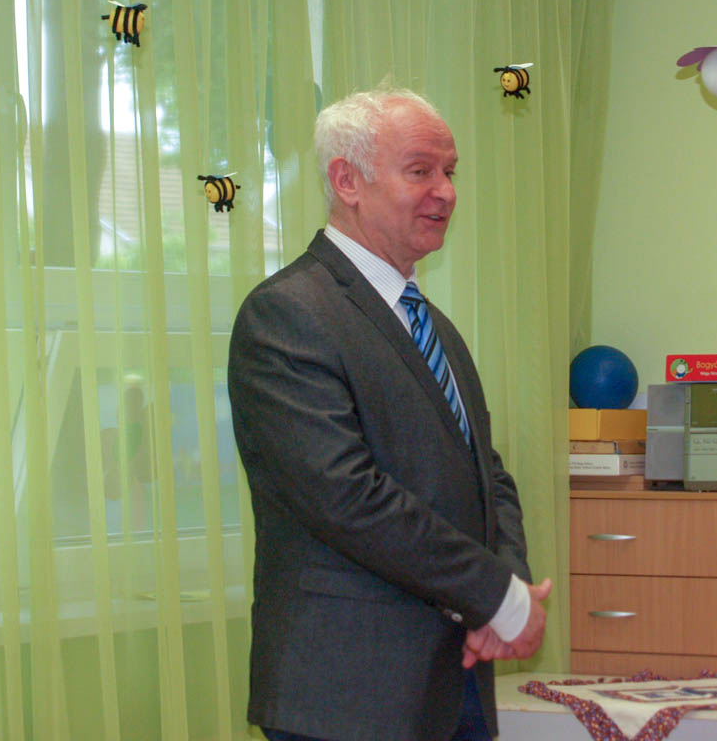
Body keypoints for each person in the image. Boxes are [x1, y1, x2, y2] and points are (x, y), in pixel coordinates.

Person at [228, 85, 551, 741]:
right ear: (346, 180)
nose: (446, 192)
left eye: (450, 171)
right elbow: (346, 497)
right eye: (420, 171)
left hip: (456, 679)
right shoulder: (287, 313)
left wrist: (507, 587)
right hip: (349, 697)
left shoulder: (433, 325)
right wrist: (497, 596)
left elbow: (485, 473)